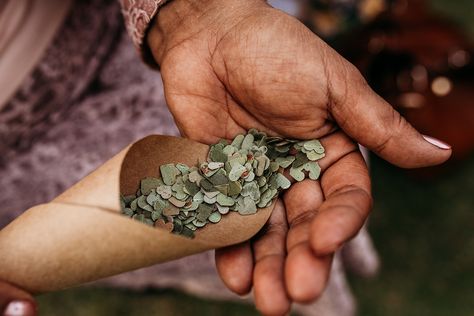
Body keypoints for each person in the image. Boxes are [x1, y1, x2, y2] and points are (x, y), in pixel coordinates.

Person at [0, 0, 451, 315]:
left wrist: (192, 13)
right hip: (14, 163)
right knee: (144, 243)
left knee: (314, 191)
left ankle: (345, 273)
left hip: (121, 31)